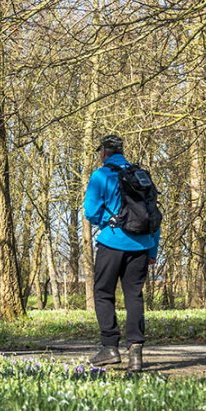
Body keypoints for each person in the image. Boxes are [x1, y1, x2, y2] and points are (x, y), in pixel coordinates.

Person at [82, 134, 160, 372]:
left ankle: (110, 348)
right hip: (141, 245)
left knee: (103, 293)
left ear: (103, 152)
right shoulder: (142, 176)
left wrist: (109, 219)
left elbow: (90, 212)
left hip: (112, 243)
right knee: (134, 296)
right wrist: (152, 249)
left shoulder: (101, 175)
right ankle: (136, 352)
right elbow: (154, 217)